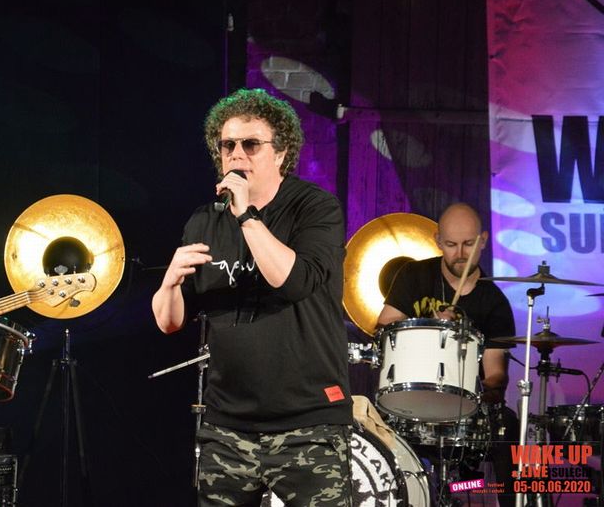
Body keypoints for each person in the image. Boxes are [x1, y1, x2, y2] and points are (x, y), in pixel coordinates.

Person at [152, 88, 353, 506]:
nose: (237, 155)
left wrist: (246, 214)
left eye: (250, 144)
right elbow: (169, 322)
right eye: (227, 146)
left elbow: (292, 281)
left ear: (281, 153)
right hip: (227, 426)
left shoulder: (315, 209)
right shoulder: (204, 221)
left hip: (308, 424)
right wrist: (169, 285)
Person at [376, 202, 517, 506]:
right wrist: (429, 325)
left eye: (468, 244)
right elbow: (385, 325)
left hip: (466, 406)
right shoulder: (414, 275)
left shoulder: (494, 302)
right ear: (438, 240)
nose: (460, 253)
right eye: (451, 244)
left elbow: (496, 374)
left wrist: (479, 395)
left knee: (506, 425)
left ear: (483, 241)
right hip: (409, 395)